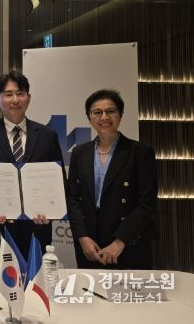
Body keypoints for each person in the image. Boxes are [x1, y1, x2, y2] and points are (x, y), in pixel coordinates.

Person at [0, 70, 64, 267]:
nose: (15, 100)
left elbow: (58, 177)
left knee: (36, 280)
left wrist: (50, 210)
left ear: (29, 98)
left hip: (38, 226)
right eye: (8, 94)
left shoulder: (47, 135)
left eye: (20, 93)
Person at [67, 89, 157, 269]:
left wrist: (120, 242)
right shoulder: (79, 153)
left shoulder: (140, 152)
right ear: (89, 117)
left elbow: (146, 203)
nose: (104, 117)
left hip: (129, 244)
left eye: (110, 111)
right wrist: (82, 238)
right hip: (90, 247)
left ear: (120, 115)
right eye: (97, 112)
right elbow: (73, 198)